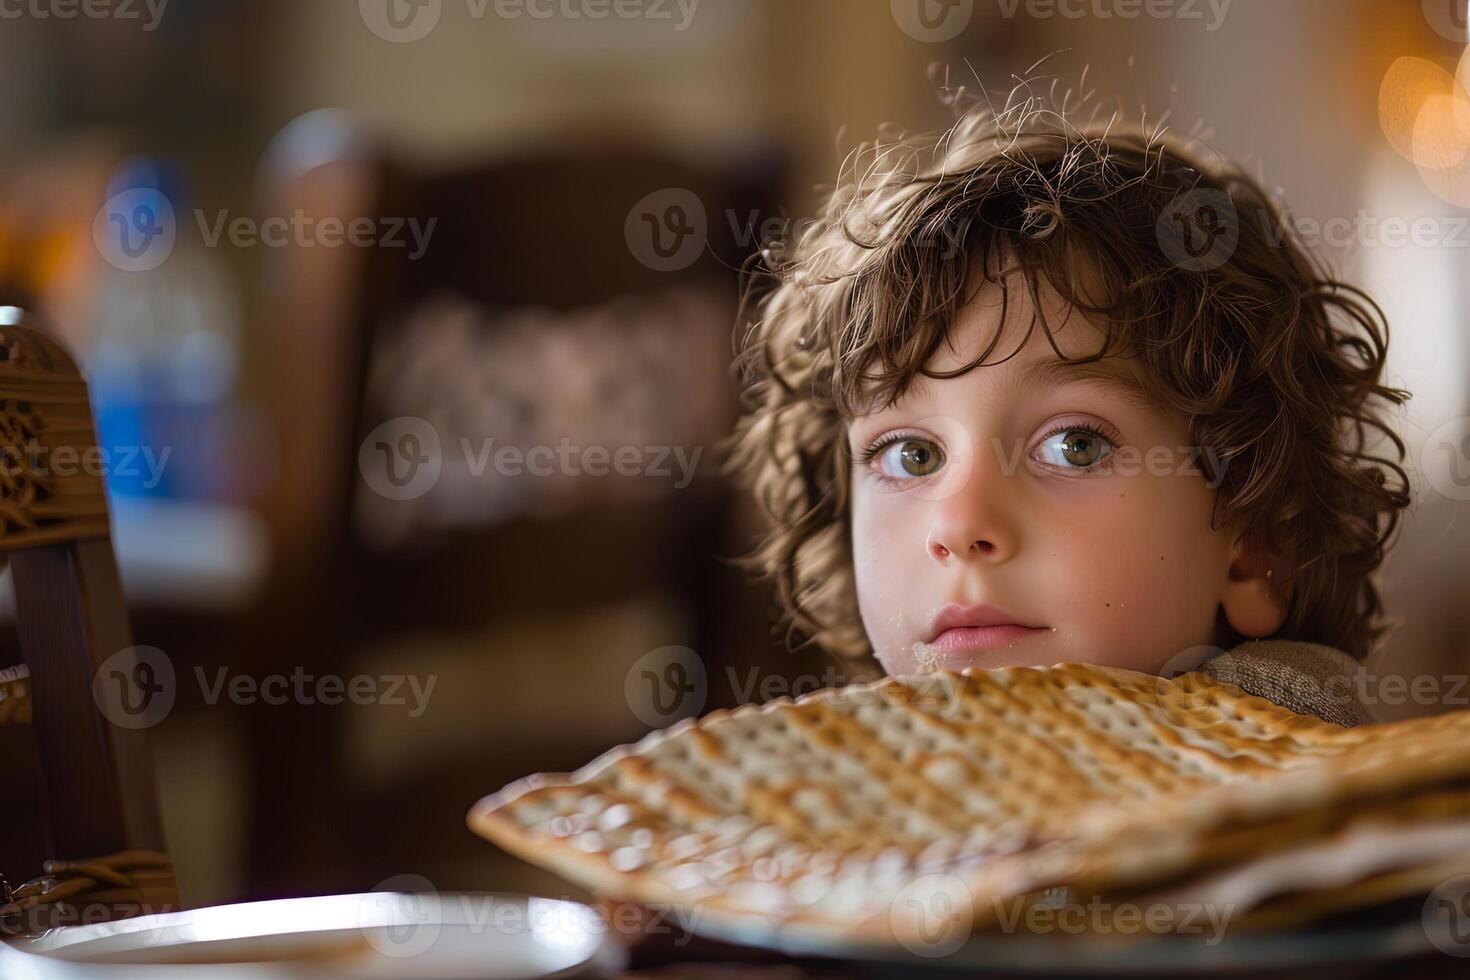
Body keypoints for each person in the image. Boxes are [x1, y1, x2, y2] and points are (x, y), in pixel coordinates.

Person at [726, 92, 1410, 728]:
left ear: (1256, 546)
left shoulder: (1286, 768)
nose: (959, 525)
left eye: (1074, 446)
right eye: (912, 454)